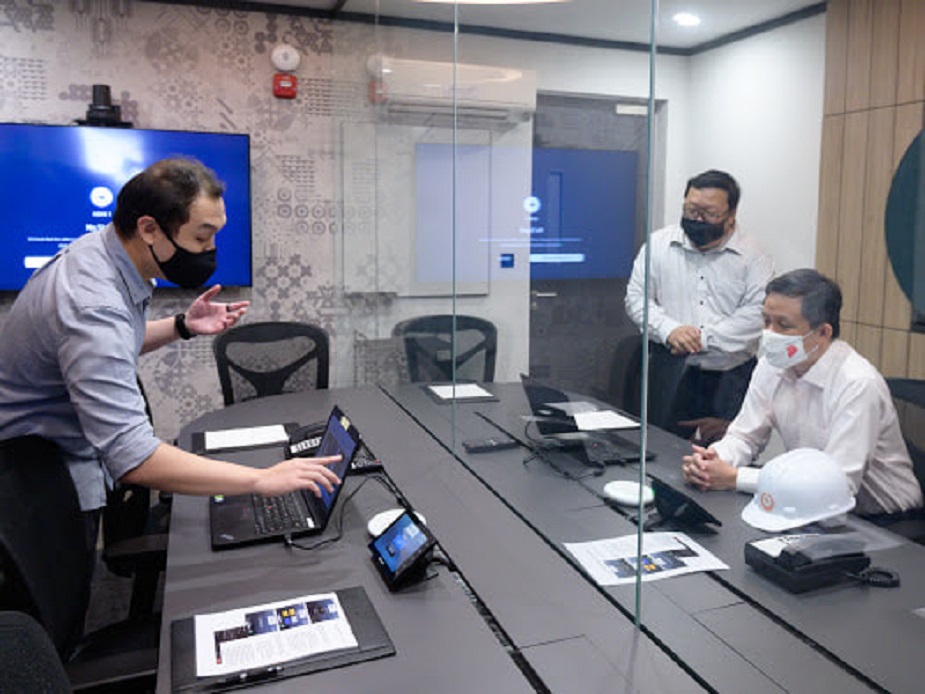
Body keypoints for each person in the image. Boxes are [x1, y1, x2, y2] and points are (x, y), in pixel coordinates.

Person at [0, 158, 341, 545]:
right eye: (201, 237)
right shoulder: (92, 303)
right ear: (149, 229)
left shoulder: (103, 253)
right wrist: (260, 480)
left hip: (47, 463)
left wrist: (181, 325)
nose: (211, 250)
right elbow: (132, 455)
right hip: (38, 485)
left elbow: (113, 342)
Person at [683, 269, 923, 521]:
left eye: (783, 325)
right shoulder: (771, 365)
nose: (770, 333)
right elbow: (745, 436)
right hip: (811, 505)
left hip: (888, 519)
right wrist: (713, 462)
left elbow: (837, 484)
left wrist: (735, 478)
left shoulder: (858, 383)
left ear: (823, 333)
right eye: (766, 321)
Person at [625, 169, 774, 444]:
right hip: (668, 369)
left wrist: (701, 339)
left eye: (709, 213)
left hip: (729, 375)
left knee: (727, 451)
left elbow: (757, 315)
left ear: (731, 215)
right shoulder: (658, 244)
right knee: (659, 447)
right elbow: (636, 298)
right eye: (691, 210)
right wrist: (670, 330)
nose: (698, 219)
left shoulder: (754, 256)